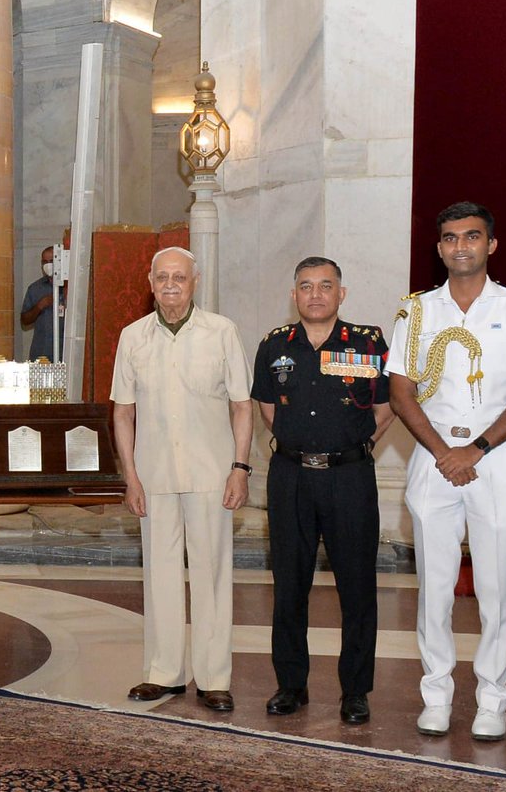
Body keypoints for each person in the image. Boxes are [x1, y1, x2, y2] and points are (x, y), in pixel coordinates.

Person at [387, 202, 506, 742]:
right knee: (433, 585)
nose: (461, 246)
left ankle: (492, 700)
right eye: (451, 238)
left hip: (495, 460)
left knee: (497, 586)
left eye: (472, 237)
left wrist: (474, 450)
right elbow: (401, 393)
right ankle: (436, 693)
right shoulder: (416, 313)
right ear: (439, 248)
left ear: (490, 245)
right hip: (433, 460)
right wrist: (442, 451)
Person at [251, 257, 394, 725]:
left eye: (325, 285)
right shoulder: (274, 346)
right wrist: (304, 446)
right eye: (306, 286)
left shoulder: (367, 343)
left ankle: (355, 690)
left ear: (341, 293)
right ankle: (291, 684)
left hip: (349, 478)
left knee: (357, 586)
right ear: (294, 294)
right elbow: (268, 407)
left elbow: (386, 404)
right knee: (290, 585)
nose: (316, 294)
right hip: (291, 476)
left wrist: (352, 444)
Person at [111, 246, 253, 712]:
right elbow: (123, 413)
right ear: (149, 284)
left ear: (196, 282)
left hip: (212, 473)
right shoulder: (132, 337)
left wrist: (240, 467)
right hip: (153, 476)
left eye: (180, 277)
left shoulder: (222, 332)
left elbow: (241, 406)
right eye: (162, 277)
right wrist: (131, 476)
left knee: (212, 574)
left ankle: (214, 678)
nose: (171, 285)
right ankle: (164, 672)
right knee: (160, 574)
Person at [20, 246, 66, 361]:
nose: (48, 265)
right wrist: (40, 306)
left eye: (51, 261)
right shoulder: (35, 289)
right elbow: (25, 321)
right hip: (42, 352)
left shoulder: (70, 287)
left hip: (65, 352)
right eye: (44, 262)